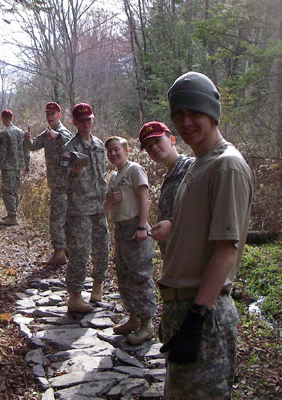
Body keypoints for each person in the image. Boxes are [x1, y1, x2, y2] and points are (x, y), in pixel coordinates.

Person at [158, 71, 253, 399]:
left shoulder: (226, 165)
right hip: (181, 308)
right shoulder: (198, 163)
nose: (186, 123)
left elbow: (226, 250)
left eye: (194, 113)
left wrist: (196, 316)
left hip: (203, 313)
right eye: (179, 115)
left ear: (212, 114)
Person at [104, 136, 156, 345]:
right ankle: (133, 318)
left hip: (136, 228)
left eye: (117, 150)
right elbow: (106, 208)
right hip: (121, 231)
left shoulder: (134, 169)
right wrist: (109, 201)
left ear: (126, 150)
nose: (113, 154)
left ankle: (147, 324)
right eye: (109, 152)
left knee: (140, 276)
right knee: (125, 276)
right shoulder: (114, 177)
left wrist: (142, 226)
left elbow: (144, 198)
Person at [60, 103, 108, 313]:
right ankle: (75, 296)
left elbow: (102, 174)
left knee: (102, 248)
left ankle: (98, 285)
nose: (86, 124)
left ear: (93, 119)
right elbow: (62, 181)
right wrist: (75, 173)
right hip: (79, 208)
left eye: (89, 120)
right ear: (75, 123)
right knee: (80, 252)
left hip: (100, 205)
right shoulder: (68, 149)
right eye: (82, 121)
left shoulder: (99, 145)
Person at [23, 102, 72, 265]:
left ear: (60, 115)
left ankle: (59, 252)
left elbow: (72, 145)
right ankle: (66, 249)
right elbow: (34, 146)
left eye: (53, 114)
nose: (49, 117)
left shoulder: (62, 132)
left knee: (57, 219)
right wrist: (27, 140)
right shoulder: (47, 132)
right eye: (47, 114)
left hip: (65, 184)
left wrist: (57, 137)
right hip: (56, 183)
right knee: (63, 218)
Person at [138, 121, 194, 257]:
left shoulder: (191, 167)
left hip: (191, 254)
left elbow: (204, 209)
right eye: (149, 147)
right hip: (174, 255)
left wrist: (172, 224)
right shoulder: (169, 176)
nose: (154, 148)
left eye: (158, 141)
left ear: (172, 139)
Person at [0, 109, 30, 226]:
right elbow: (26, 149)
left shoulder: (5, 133)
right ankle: (12, 213)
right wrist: (27, 165)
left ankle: (12, 217)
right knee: (15, 191)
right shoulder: (20, 132)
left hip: (8, 167)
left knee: (7, 191)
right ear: (12, 118)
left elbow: (2, 153)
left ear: (3, 119)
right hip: (18, 166)